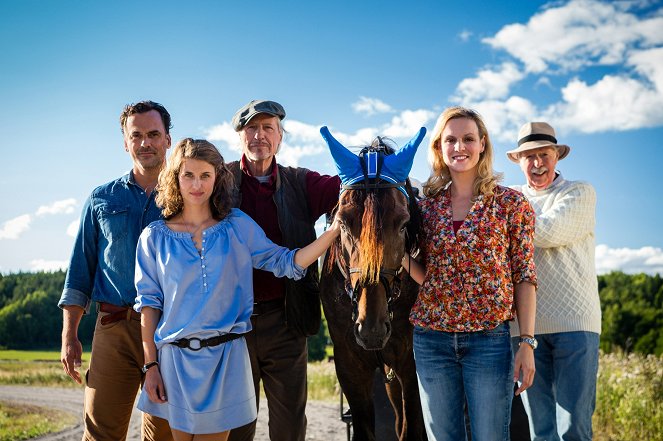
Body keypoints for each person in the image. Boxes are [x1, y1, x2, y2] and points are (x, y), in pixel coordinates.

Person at [133, 138, 340, 440]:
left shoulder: (237, 226)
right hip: (174, 363)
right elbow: (149, 306)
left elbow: (284, 261)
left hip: (225, 360)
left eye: (205, 175)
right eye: (188, 175)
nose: (197, 185)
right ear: (175, 177)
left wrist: (333, 232)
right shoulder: (153, 237)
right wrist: (150, 365)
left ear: (217, 178)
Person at [403, 106, 538, 441]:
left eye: (467, 138)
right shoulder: (424, 207)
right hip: (431, 339)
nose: (459, 146)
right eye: (450, 140)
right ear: (439, 148)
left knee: (490, 436)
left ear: (482, 145)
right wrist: (400, 258)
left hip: (488, 341)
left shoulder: (510, 204)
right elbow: (429, 276)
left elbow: (524, 275)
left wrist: (526, 342)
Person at [58, 100, 174, 440]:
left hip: (170, 332)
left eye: (154, 134)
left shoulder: (188, 194)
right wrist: (69, 334)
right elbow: (81, 268)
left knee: (165, 435)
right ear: (125, 142)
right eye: (136, 135)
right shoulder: (101, 199)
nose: (145, 143)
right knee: (100, 433)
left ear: (168, 139)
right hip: (113, 327)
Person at [227, 100, 340, 441]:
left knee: (290, 426)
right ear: (239, 136)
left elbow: (352, 190)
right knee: (236, 426)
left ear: (280, 137)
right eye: (252, 128)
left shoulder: (302, 183)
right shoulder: (219, 180)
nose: (259, 135)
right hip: (231, 324)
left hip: (287, 318)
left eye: (268, 128)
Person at [507, 122, 602, 441]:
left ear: (556, 156)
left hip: (575, 323)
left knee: (573, 427)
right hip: (526, 329)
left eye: (544, 154)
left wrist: (503, 222)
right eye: (529, 156)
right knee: (542, 430)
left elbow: (547, 231)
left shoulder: (579, 192)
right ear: (518, 161)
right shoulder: (510, 198)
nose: (537, 163)